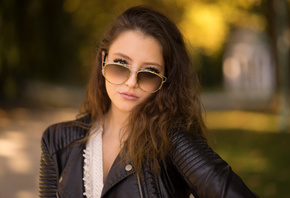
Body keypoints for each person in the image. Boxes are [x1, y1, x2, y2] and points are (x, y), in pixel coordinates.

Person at [39, 5, 258, 198]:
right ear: (103, 60)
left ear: (165, 80)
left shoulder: (174, 142)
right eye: (120, 64)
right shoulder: (56, 141)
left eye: (149, 72)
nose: (131, 82)